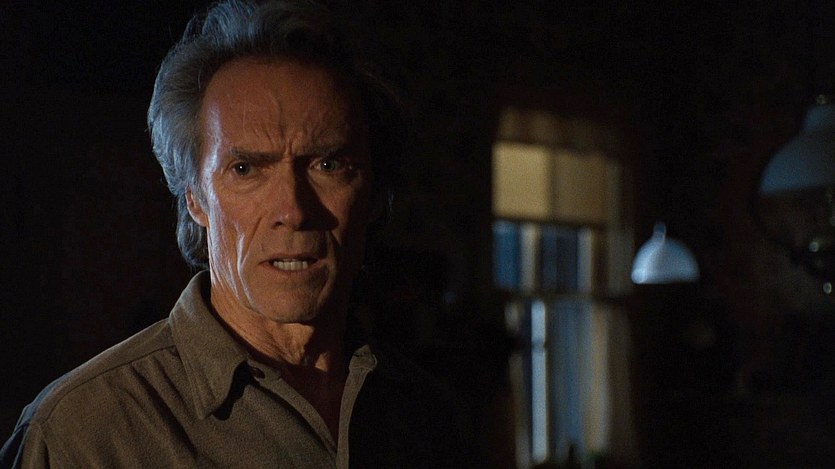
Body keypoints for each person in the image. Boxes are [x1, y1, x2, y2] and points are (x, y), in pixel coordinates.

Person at [0, 0, 468, 467]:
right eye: (246, 169)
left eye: (328, 165)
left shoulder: (429, 418)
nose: (293, 211)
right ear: (195, 199)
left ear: (374, 192)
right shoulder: (84, 433)